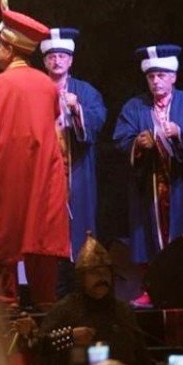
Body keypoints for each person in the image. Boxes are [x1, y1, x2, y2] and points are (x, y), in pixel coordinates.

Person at [0, 10, 70, 306]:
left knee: (4, 255)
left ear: (9, 49)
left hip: (9, 181)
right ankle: (47, 325)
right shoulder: (47, 86)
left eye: (0, 44)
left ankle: (8, 329)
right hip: (46, 180)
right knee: (42, 256)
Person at [113, 45, 183, 305]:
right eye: (151, 76)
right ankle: (151, 290)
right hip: (150, 186)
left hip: (182, 183)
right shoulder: (135, 107)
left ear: (173, 77)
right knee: (150, 236)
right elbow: (121, 138)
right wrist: (138, 143)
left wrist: (179, 132)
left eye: (161, 75)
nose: (156, 80)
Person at [37, 237, 152, 365]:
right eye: (94, 272)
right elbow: (39, 345)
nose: (102, 278)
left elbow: (142, 357)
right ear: (81, 277)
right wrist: (69, 337)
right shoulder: (65, 309)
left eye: (105, 272)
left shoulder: (122, 310)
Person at [40, 28, 107, 293]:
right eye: (52, 56)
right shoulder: (36, 88)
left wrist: (77, 109)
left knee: (80, 224)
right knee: (46, 224)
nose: (57, 61)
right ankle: (49, 286)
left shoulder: (85, 91)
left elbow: (99, 118)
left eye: (62, 56)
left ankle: (82, 283)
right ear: (45, 60)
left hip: (77, 169)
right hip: (45, 170)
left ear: (71, 60)